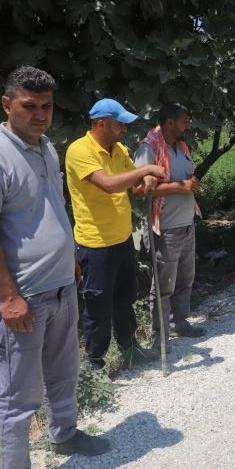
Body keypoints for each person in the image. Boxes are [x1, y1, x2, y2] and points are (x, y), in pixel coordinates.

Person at [0, 66, 111, 469]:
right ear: (8, 104)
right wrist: (9, 297)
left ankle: (64, 433)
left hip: (62, 285)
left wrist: (69, 264)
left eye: (46, 106)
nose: (40, 114)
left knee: (64, 373)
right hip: (23, 297)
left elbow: (51, 210)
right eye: (29, 106)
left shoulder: (47, 148)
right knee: (19, 394)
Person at [65, 98, 165, 370]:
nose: (124, 128)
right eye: (120, 123)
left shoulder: (118, 148)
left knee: (125, 298)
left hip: (121, 240)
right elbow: (108, 185)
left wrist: (144, 181)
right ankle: (95, 365)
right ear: (101, 124)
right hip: (95, 244)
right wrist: (145, 170)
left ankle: (129, 348)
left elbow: (132, 182)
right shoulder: (79, 150)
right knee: (98, 308)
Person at [134, 102, 206, 339]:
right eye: (185, 120)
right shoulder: (148, 149)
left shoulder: (182, 146)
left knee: (185, 279)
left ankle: (180, 324)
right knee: (164, 284)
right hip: (164, 228)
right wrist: (180, 186)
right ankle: (160, 335)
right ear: (169, 123)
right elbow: (142, 190)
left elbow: (183, 181)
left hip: (186, 224)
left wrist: (190, 183)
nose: (189, 125)